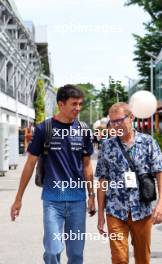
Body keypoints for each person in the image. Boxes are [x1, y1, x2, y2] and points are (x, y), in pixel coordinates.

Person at [11, 84, 96, 264]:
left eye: (80, 104)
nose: (78, 108)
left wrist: (91, 195)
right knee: (52, 250)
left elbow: (87, 166)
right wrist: (18, 198)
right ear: (61, 104)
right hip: (52, 201)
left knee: (76, 254)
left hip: (77, 201)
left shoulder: (83, 130)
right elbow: (29, 164)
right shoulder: (44, 129)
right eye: (74, 104)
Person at [96, 102, 162, 264]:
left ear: (131, 117)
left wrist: (161, 203)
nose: (116, 125)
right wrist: (100, 214)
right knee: (119, 259)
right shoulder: (107, 146)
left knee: (143, 258)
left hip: (142, 210)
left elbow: (160, 172)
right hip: (115, 210)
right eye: (113, 122)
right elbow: (102, 180)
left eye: (120, 120)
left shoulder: (148, 142)